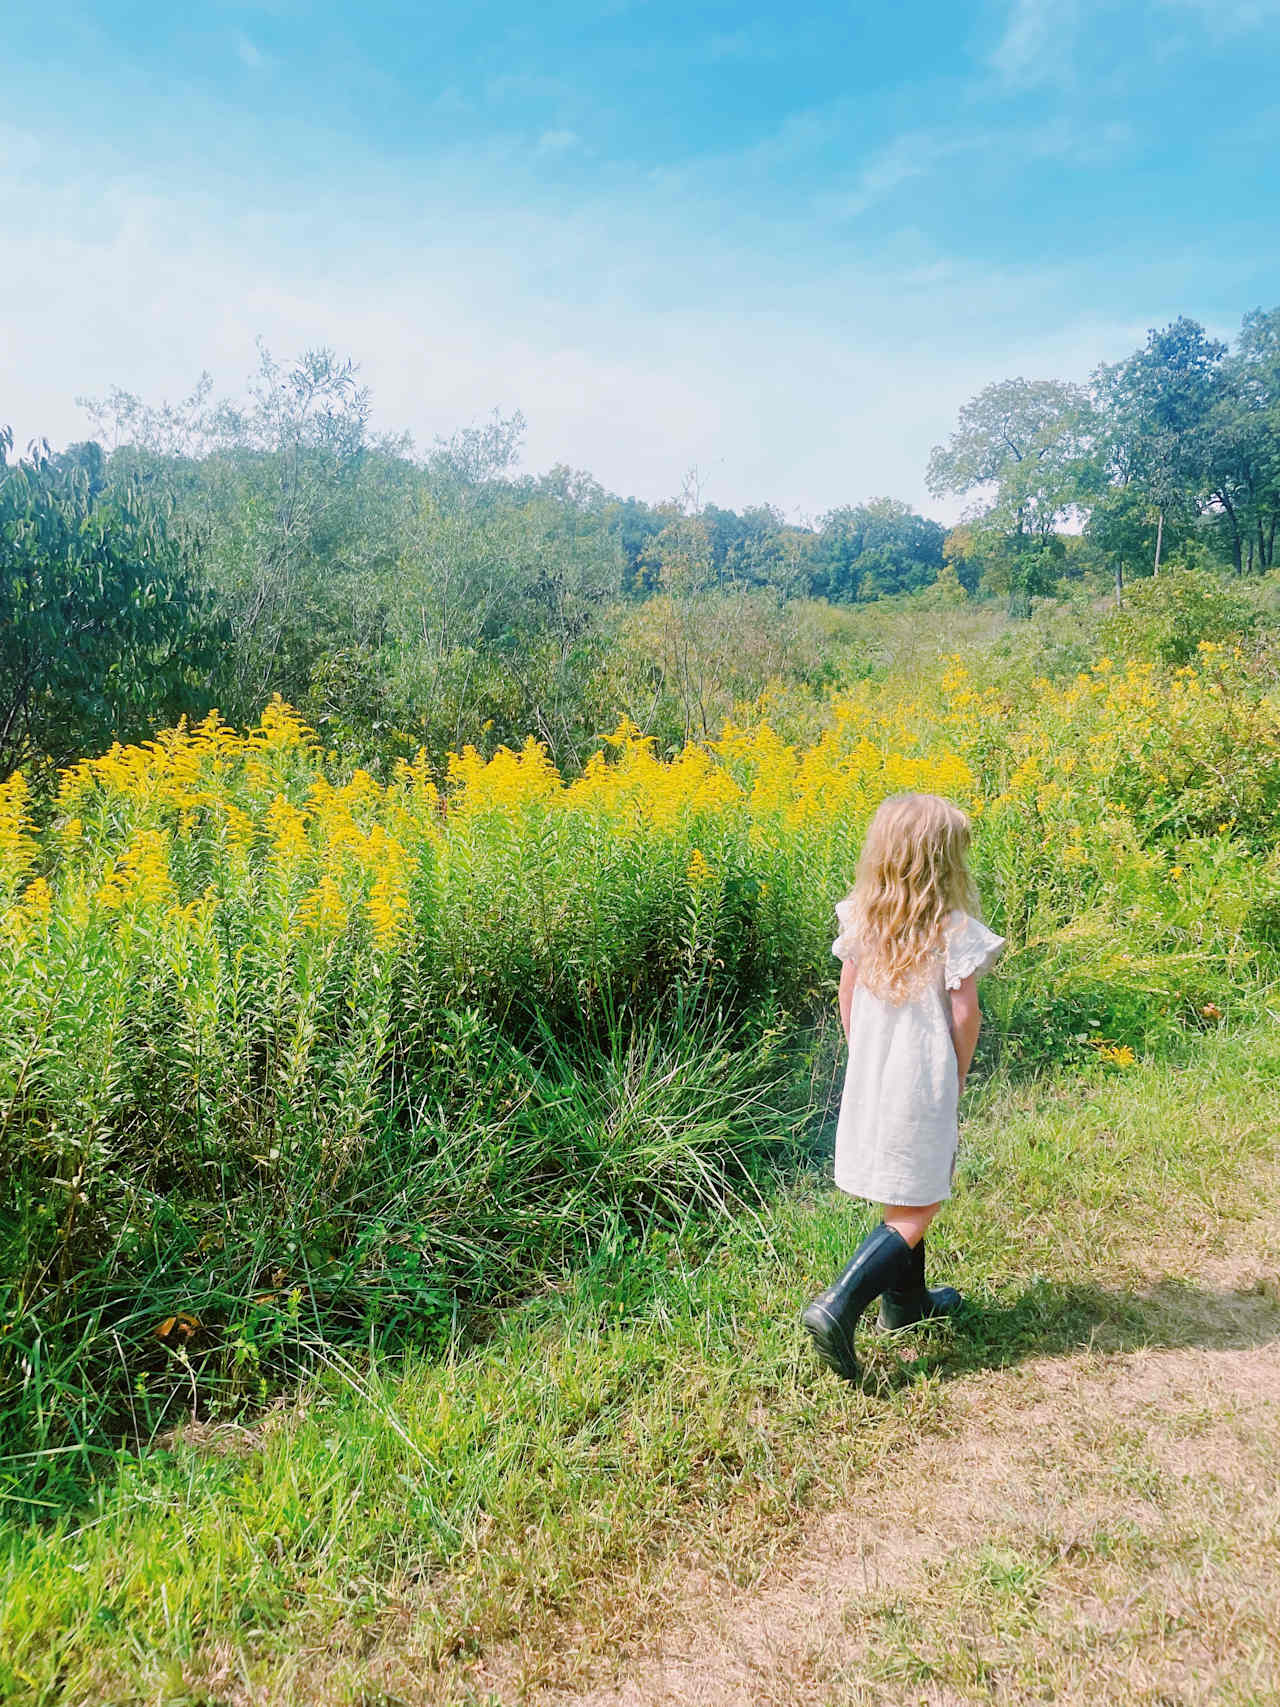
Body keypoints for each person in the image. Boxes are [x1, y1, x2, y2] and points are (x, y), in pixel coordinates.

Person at [802, 792, 1005, 1382]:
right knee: (921, 1202)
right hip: (924, 1075)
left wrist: (860, 1050)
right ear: (944, 862)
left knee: (901, 1188)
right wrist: (958, 1073)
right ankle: (838, 1307)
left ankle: (906, 1306)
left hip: (873, 1069)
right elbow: (965, 1016)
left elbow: (846, 994)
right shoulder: (953, 930)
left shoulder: (865, 917)